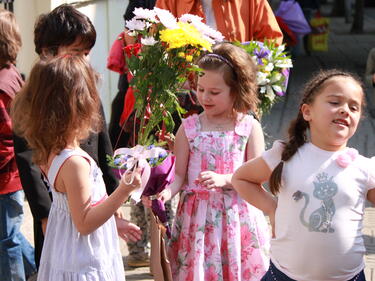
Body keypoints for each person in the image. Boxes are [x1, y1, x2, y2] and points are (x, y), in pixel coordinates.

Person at [12, 4, 138, 269]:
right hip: (58, 211)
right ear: (48, 51)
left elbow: (104, 146)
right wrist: (44, 215)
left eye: (86, 53)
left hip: (94, 200)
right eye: (75, 53)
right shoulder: (32, 98)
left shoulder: (85, 86)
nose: (83, 60)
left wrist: (114, 202)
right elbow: (27, 157)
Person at [144, 42, 270, 280]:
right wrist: (163, 194)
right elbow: (179, 175)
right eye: (200, 89)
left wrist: (226, 179)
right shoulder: (189, 128)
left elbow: (258, 176)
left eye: (214, 92)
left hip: (236, 218)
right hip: (196, 221)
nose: (204, 97)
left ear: (236, 90)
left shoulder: (248, 127)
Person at [232, 69, 373, 281]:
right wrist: (272, 207)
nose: (345, 110)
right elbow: (241, 179)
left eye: (354, 107)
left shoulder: (363, 167)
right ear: (307, 112)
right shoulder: (285, 154)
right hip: (284, 275)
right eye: (335, 102)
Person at [0, 8, 37, 281]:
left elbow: (8, 137)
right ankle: (41, 268)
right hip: (10, 176)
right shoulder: (11, 74)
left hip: (6, 178)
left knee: (7, 240)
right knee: (8, 235)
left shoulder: (3, 84)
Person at [155, 0, 283, 45]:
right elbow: (156, 42)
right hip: (186, 98)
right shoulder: (170, 1)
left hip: (236, 94)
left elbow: (270, 40)